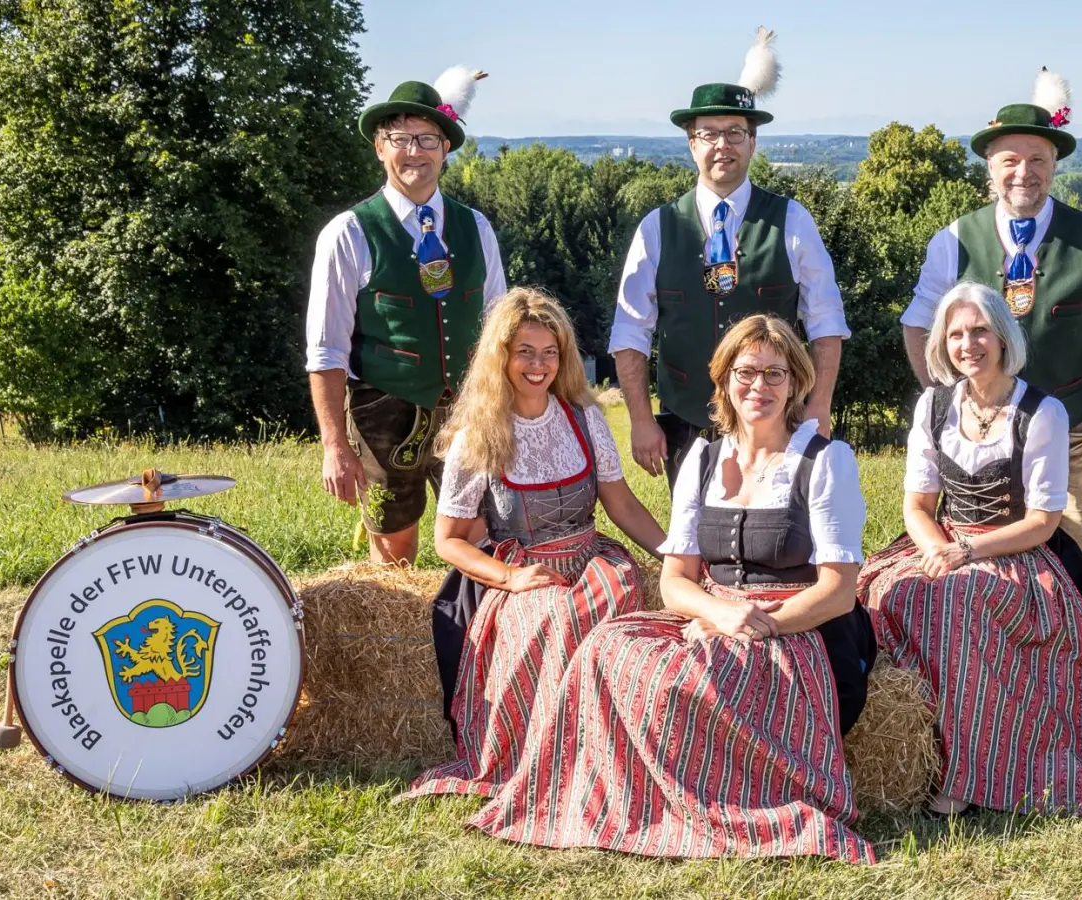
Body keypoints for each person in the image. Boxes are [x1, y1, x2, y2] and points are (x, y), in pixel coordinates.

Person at [468, 315, 878, 863]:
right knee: (606, 648)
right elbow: (674, 580)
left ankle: (710, 801)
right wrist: (717, 612)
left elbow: (838, 591)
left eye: (774, 374)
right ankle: (634, 801)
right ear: (724, 380)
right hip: (714, 613)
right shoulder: (705, 460)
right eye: (746, 372)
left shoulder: (825, 461)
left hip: (799, 627)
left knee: (699, 671)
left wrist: (760, 621)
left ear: (797, 382)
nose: (759, 387)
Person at [859, 282, 1082, 817]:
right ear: (942, 343)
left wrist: (967, 555)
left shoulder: (1040, 412)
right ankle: (918, 755)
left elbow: (1043, 521)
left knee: (960, 602)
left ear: (1003, 337)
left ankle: (966, 778)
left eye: (979, 330)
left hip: (1021, 553)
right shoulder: (934, 407)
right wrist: (937, 550)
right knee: (888, 590)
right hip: (947, 543)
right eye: (956, 333)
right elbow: (917, 506)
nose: (968, 343)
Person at [403, 288, 665, 799]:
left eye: (550, 353)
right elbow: (449, 540)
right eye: (525, 351)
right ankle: (552, 757)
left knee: (612, 613)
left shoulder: (583, 417)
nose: (538, 365)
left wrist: (678, 557)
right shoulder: (477, 434)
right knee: (554, 618)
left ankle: (610, 753)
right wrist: (512, 578)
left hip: (591, 559)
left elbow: (622, 504)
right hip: (520, 568)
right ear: (501, 355)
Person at [899, 68, 1082, 571]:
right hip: (975, 437)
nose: (1023, 172)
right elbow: (916, 324)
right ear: (990, 167)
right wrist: (940, 404)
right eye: (1009, 160)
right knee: (980, 568)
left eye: (1037, 160)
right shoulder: (952, 240)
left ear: (1054, 166)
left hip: (1071, 431)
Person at [609, 27, 850, 486]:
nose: (724, 145)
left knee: (775, 537)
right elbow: (630, 331)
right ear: (691, 143)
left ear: (753, 142)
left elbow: (825, 321)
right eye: (710, 134)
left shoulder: (792, 221)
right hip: (685, 419)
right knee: (692, 543)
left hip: (776, 417)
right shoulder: (657, 228)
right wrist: (641, 419)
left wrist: (818, 406)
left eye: (736, 133)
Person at [306, 68, 508, 564]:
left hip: (468, 411)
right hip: (382, 412)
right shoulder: (348, 232)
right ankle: (402, 639)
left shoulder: (476, 227)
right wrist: (334, 444)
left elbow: (499, 327)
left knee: (484, 539)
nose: (414, 151)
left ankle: (473, 638)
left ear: (446, 149)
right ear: (380, 147)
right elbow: (326, 349)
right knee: (395, 550)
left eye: (427, 139)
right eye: (400, 138)